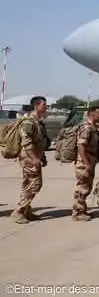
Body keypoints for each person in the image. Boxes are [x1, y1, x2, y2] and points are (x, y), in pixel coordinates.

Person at [12, 96, 48, 224]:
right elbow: (26, 142)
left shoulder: (38, 122)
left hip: (34, 157)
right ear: (37, 105)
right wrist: (34, 159)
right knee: (34, 184)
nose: (46, 106)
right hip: (29, 159)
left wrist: (42, 157)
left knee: (29, 184)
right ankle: (19, 212)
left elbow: (39, 142)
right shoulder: (28, 122)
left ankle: (26, 210)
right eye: (44, 104)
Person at [72, 105, 99, 221]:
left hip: (89, 161)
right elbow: (81, 146)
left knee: (86, 187)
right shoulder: (86, 128)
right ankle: (77, 212)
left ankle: (81, 210)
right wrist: (87, 163)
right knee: (82, 187)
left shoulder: (92, 128)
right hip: (84, 163)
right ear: (92, 114)